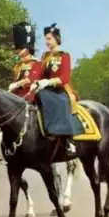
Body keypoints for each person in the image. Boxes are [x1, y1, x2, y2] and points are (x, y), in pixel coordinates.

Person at [30, 23, 84, 157]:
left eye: (49, 39)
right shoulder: (45, 56)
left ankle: (68, 140)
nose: (47, 42)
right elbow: (40, 74)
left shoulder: (64, 55)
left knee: (60, 103)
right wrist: (36, 82)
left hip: (60, 89)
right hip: (44, 88)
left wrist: (48, 81)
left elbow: (65, 77)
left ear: (56, 39)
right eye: (46, 39)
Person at [7, 22, 42, 102]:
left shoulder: (37, 63)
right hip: (16, 99)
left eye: (20, 48)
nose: (17, 50)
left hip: (32, 98)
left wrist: (16, 84)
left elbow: (30, 80)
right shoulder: (17, 66)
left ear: (27, 49)